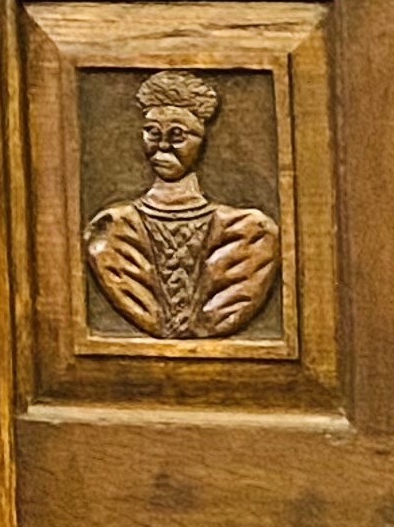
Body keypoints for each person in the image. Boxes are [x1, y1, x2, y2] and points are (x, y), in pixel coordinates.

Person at [83, 71, 283, 341]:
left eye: (177, 135)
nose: (162, 146)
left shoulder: (249, 234)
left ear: (203, 140)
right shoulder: (112, 232)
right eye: (152, 133)